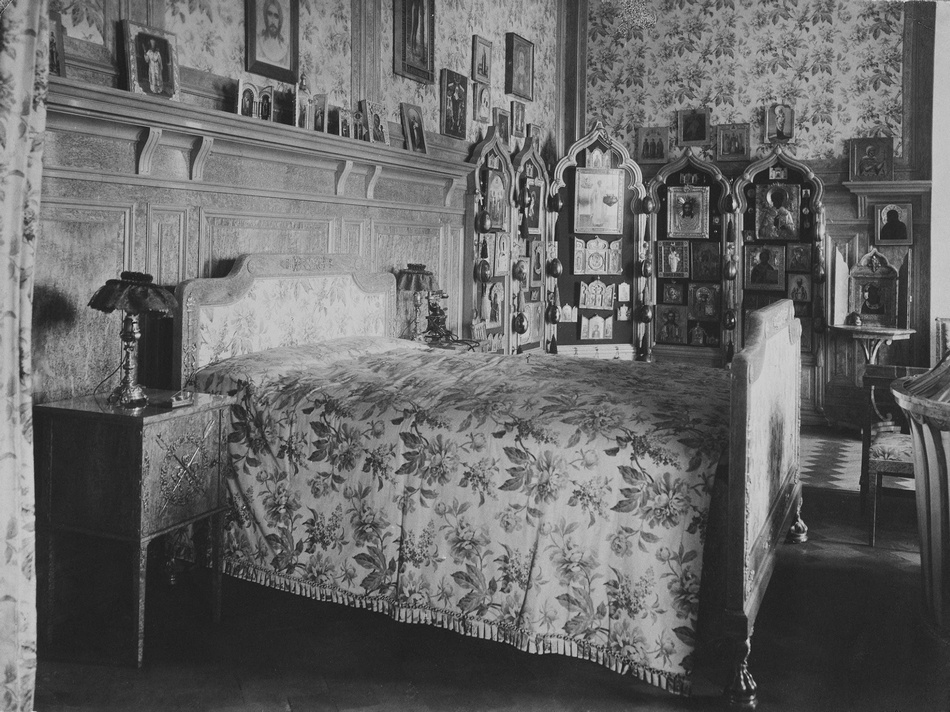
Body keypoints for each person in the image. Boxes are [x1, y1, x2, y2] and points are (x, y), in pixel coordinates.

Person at [258, 0, 289, 68]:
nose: (273, 21)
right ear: (265, 17)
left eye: (276, 16)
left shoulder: (284, 47)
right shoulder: (259, 41)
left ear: (280, 20)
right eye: (269, 14)